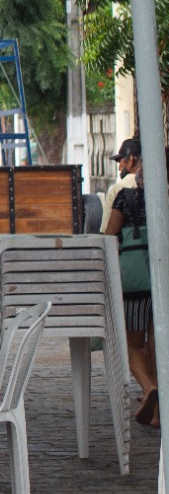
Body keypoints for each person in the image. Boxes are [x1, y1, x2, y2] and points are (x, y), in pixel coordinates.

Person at [105, 154, 158, 427]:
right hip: (164, 284)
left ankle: (149, 387)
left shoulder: (127, 198)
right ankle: (160, 414)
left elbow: (109, 237)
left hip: (135, 284)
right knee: (159, 344)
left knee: (133, 344)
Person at [101, 137, 141, 232]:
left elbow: (106, 232)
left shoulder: (118, 188)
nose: (119, 168)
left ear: (130, 160)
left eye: (120, 162)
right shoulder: (160, 187)